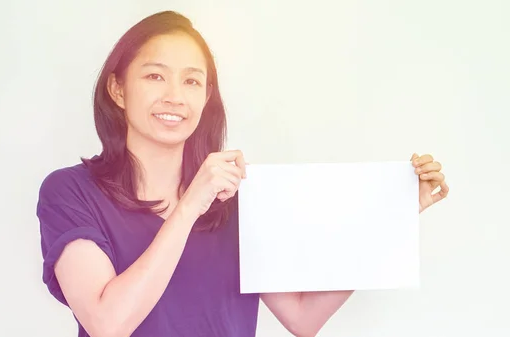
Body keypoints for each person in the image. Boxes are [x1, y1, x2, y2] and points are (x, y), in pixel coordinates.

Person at [36, 10, 450, 337]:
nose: (175, 96)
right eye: (155, 75)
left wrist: (392, 217)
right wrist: (189, 207)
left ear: (206, 96)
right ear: (118, 89)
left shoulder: (234, 200)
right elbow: (108, 324)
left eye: (192, 81)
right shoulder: (70, 192)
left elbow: (303, 319)